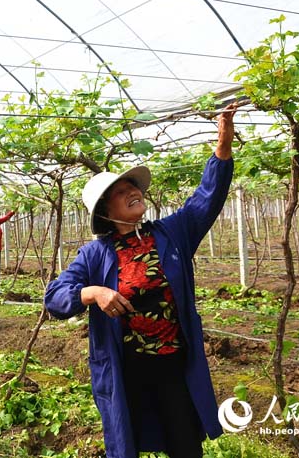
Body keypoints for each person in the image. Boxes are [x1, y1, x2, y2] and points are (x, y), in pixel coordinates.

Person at [44, 105, 238, 458]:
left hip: (172, 367)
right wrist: (92, 292)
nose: (132, 190)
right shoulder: (94, 255)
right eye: (121, 191)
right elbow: (54, 298)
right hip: (126, 372)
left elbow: (206, 200)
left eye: (132, 185)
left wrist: (222, 147)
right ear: (105, 211)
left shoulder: (171, 234)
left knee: (185, 445)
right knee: (127, 445)